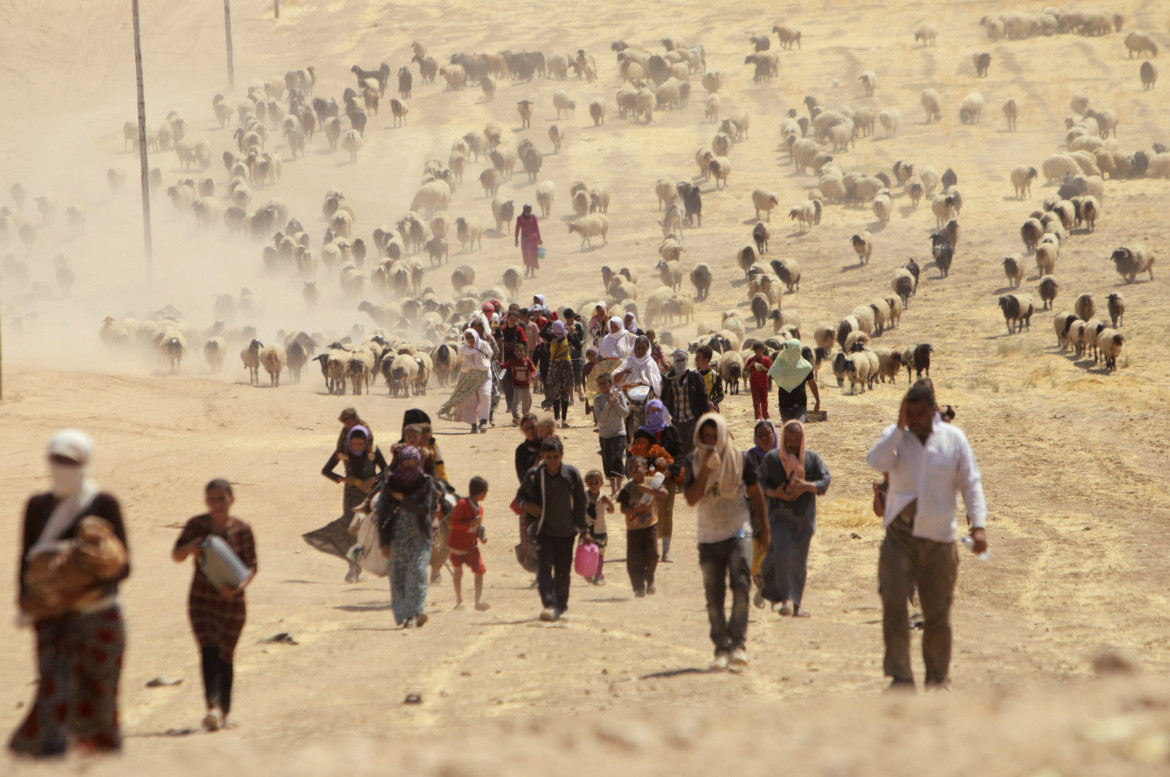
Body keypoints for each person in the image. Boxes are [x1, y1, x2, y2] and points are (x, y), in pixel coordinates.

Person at [11, 431, 130, 757]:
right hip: (51, 618)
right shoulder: (38, 507)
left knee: (100, 696)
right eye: (58, 460)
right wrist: (26, 601)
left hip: (99, 614)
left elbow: (123, 567)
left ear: (86, 463)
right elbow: (26, 559)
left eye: (71, 461)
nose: (63, 467)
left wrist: (81, 577)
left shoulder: (104, 505)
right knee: (54, 690)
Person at [866, 380, 988, 690]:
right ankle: (901, 677)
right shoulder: (895, 439)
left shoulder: (953, 439)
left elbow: (971, 482)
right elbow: (875, 461)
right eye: (911, 412)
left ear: (933, 411)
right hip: (899, 537)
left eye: (922, 413)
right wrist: (898, 427)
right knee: (893, 603)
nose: (916, 419)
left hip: (939, 538)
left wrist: (979, 526)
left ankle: (937, 678)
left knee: (937, 611)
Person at [684, 414, 769, 671]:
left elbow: (755, 493)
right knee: (714, 595)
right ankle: (721, 647)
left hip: (737, 531)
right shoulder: (694, 461)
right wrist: (707, 471)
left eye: (715, 436)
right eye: (705, 437)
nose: (710, 441)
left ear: (722, 434)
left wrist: (764, 529)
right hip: (709, 535)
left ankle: (738, 645)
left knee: (741, 586)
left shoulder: (740, 459)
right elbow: (691, 498)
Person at [172, 480, 258, 732]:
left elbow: (252, 567)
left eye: (222, 498)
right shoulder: (196, 525)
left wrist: (237, 589)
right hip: (201, 599)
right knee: (208, 648)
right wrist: (190, 548)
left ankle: (224, 711)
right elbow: (176, 555)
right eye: (212, 499)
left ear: (232, 499)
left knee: (226, 655)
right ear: (206, 502)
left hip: (233, 604)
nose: (217, 504)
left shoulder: (242, 530)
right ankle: (211, 707)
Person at [757, 421, 831, 617]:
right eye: (789, 440)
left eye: (796, 441)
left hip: (804, 518)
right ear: (783, 439)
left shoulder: (812, 459)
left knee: (799, 561)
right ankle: (786, 599)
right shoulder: (772, 459)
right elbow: (760, 481)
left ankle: (796, 604)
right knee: (782, 553)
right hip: (779, 515)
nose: (792, 444)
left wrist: (806, 486)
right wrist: (776, 493)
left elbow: (825, 480)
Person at [517, 437, 588, 621]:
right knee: (544, 568)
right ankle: (549, 605)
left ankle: (562, 606)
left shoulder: (571, 475)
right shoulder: (534, 475)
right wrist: (527, 505)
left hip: (567, 531)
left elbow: (581, 502)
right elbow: (519, 497)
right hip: (543, 531)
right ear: (543, 456)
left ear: (562, 456)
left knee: (563, 571)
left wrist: (584, 529)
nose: (552, 461)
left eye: (555, 457)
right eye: (548, 457)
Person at [309, 426, 386, 582]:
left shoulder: (373, 451)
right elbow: (326, 470)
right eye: (354, 443)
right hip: (351, 496)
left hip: (370, 495)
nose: (357, 447)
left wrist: (374, 479)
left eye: (360, 444)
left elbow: (387, 470)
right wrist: (343, 479)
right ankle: (353, 569)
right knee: (352, 530)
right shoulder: (343, 452)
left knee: (371, 530)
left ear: (366, 442)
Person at [378, 446, 440, 628]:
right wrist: (384, 542)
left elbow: (423, 510)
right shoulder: (391, 484)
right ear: (401, 461)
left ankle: (415, 613)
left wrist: (403, 499)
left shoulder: (425, 482)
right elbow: (382, 513)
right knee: (398, 577)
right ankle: (403, 615)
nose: (410, 465)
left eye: (414, 462)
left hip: (420, 537)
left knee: (418, 573)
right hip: (397, 538)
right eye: (407, 462)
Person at [629, 399, 685, 563]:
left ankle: (665, 552)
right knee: (647, 512)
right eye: (651, 411)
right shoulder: (641, 434)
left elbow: (680, 454)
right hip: (647, 478)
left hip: (667, 479)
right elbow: (635, 457)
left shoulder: (671, 432)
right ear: (647, 413)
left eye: (658, 411)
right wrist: (653, 463)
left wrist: (670, 470)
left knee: (666, 513)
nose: (655, 414)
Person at [617, 456, 667, 597]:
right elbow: (623, 509)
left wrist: (649, 491)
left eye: (637, 467)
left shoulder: (652, 483)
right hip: (633, 529)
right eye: (630, 468)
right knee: (634, 559)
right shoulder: (628, 489)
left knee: (653, 554)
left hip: (650, 525)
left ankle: (649, 577)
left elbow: (664, 493)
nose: (633, 470)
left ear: (645, 469)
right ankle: (638, 587)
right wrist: (637, 510)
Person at [743, 420, 778, 607]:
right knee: (755, 561)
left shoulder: (784, 455)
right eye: (761, 435)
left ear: (775, 434)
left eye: (768, 433)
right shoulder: (750, 456)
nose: (765, 438)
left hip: (780, 511)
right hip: (756, 513)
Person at [438, 329, 494, 433]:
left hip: (484, 375)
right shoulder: (463, 349)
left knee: (485, 395)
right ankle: (473, 424)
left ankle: (483, 422)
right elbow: (459, 360)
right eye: (467, 337)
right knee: (469, 400)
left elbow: (490, 354)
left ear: (476, 336)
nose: (470, 339)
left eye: (472, 337)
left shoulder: (483, 345)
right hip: (468, 377)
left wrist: (482, 365)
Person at [449, 477, 490, 611]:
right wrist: (470, 523)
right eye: (485, 492)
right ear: (480, 492)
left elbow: (478, 527)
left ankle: (477, 602)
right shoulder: (462, 505)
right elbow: (454, 523)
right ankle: (459, 600)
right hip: (457, 545)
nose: (486, 494)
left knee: (479, 571)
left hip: (472, 546)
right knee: (458, 572)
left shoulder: (480, 508)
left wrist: (481, 537)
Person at [660, 349, 709, 454]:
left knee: (693, 451)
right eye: (678, 360)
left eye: (683, 360)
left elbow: (703, 397)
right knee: (678, 451)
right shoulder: (668, 378)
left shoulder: (695, 376)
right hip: (675, 421)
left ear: (687, 360)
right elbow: (663, 398)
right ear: (674, 361)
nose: (680, 362)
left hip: (692, 420)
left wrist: (708, 417)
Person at [593, 372, 630, 497]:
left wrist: (616, 403)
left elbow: (625, 413)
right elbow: (600, 419)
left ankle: (619, 489)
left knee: (618, 458)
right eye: (600, 384)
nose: (603, 386)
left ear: (610, 383)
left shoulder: (619, 396)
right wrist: (609, 404)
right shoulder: (597, 400)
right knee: (608, 461)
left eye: (605, 383)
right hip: (604, 435)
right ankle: (613, 490)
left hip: (619, 433)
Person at [768, 339, 821, 423]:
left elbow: (812, 383)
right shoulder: (780, 364)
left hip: (800, 405)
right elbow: (773, 376)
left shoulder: (805, 367)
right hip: (785, 405)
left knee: (797, 428)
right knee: (789, 431)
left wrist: (818, 401)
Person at [582, 470, 614, 586]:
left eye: (596, 483)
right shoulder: (584, 497)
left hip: (600, 529)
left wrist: (609, 502)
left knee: (600, 553)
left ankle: (598, 575)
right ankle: (589, 573)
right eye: (591, 483)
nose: (594, 486)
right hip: (587, 530)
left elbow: (611, 511)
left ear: (601, 483)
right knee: (588, 553)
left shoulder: (604, 497)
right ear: (587, 483)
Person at [545, 320, 579, 426]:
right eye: (557, 333)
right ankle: (557, 419)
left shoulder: (567, 335)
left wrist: (574, 333)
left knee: (565, 393)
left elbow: (578, 346)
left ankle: (564, 419)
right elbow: (541, 333)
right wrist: (548, 323)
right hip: (555, 367)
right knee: (556, 393)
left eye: (560, 333)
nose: (558, 335)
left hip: (566, 367)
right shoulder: (551, 336)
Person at [611, 335, 663, 399]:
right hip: (628, 394)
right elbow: (615, 379)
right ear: (635, 348)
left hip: (646, 395)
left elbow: (657, 381)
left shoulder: (651, 363)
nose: (640, 351)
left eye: (643, 348)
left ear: (647, 348)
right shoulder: (629, 360)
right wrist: (624, 372)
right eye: (638, 348)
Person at [502, 343, 536, 423]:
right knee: (516, 400)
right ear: (514, 353)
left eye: (520, 351)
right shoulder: (512, 361)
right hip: (516, 385)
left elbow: (533, 370)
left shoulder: (527, 361)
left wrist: (533, 375)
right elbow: (504, 365)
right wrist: (497, 364)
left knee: (527, 401)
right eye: (517, 351)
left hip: (526, 386)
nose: (519, 353)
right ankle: (516, 416)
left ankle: (526, 415)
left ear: (524, 351)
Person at [744, 343, 773, 420]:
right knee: (756, 400)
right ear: (754, 351)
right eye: (757, 351)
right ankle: (758, 416)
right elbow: (745, 370)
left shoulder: (766, 360)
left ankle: (765, 414)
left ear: (763, 351)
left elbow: (771, 371)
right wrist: (751, 365)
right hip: (754, 383)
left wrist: (764, 369)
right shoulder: (751, 360)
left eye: (760, 351)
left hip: (764, 383)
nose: (758, 353)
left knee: (764, 400)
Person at [514, 203, 542, 278]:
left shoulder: (534, 217)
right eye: (526, 210)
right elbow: (517, 229)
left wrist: (539, 239)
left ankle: (532, 273)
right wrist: (516, 239)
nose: (527, 212)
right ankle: (527, 270)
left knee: (533, 256)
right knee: (526, 256)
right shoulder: (519, 218)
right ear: (524, 210)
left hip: (533, 240)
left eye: (529, 210)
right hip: (525, 240)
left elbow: (537, 228)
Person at [694, 345, 725, 413]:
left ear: (706, 360)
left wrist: (713, 403)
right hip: (695, 414)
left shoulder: (715, 375)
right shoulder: (692, 375)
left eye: (698, 357)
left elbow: (721, 395)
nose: (695, 359)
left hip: (710, 413)